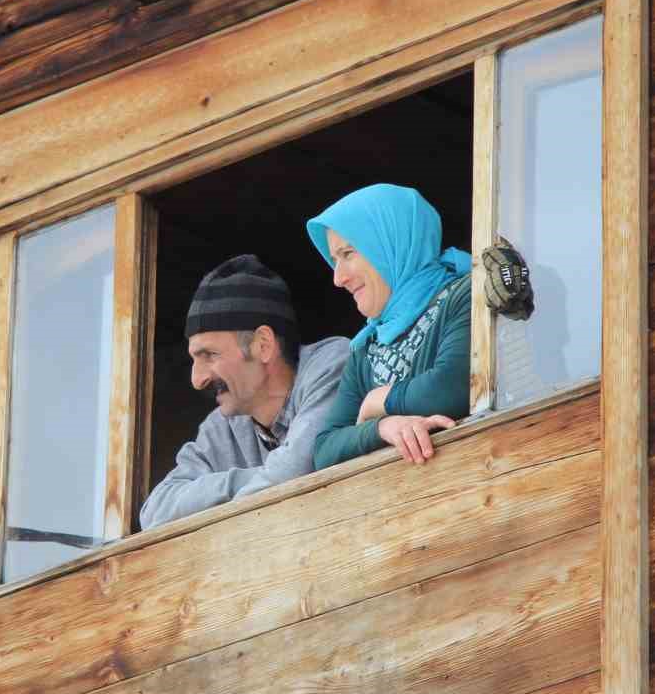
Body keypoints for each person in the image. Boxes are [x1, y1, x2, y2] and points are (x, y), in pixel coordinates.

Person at [139, 255, 350, 529]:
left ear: (263, 345)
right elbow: (155, 512)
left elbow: (296, 472)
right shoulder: (221, 426)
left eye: (210, 355)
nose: (197, 379)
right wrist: (252, 479)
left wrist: (215, 497)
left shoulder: (331, 364)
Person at [307, 184, 471, 469]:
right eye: (335, 260)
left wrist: (377, 400)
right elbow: (324, 449)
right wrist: (382, 427)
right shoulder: (368, 347)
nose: (338, 278)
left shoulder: (465, 294)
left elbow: (453, 387)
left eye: (347, 254)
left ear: (392, 242)